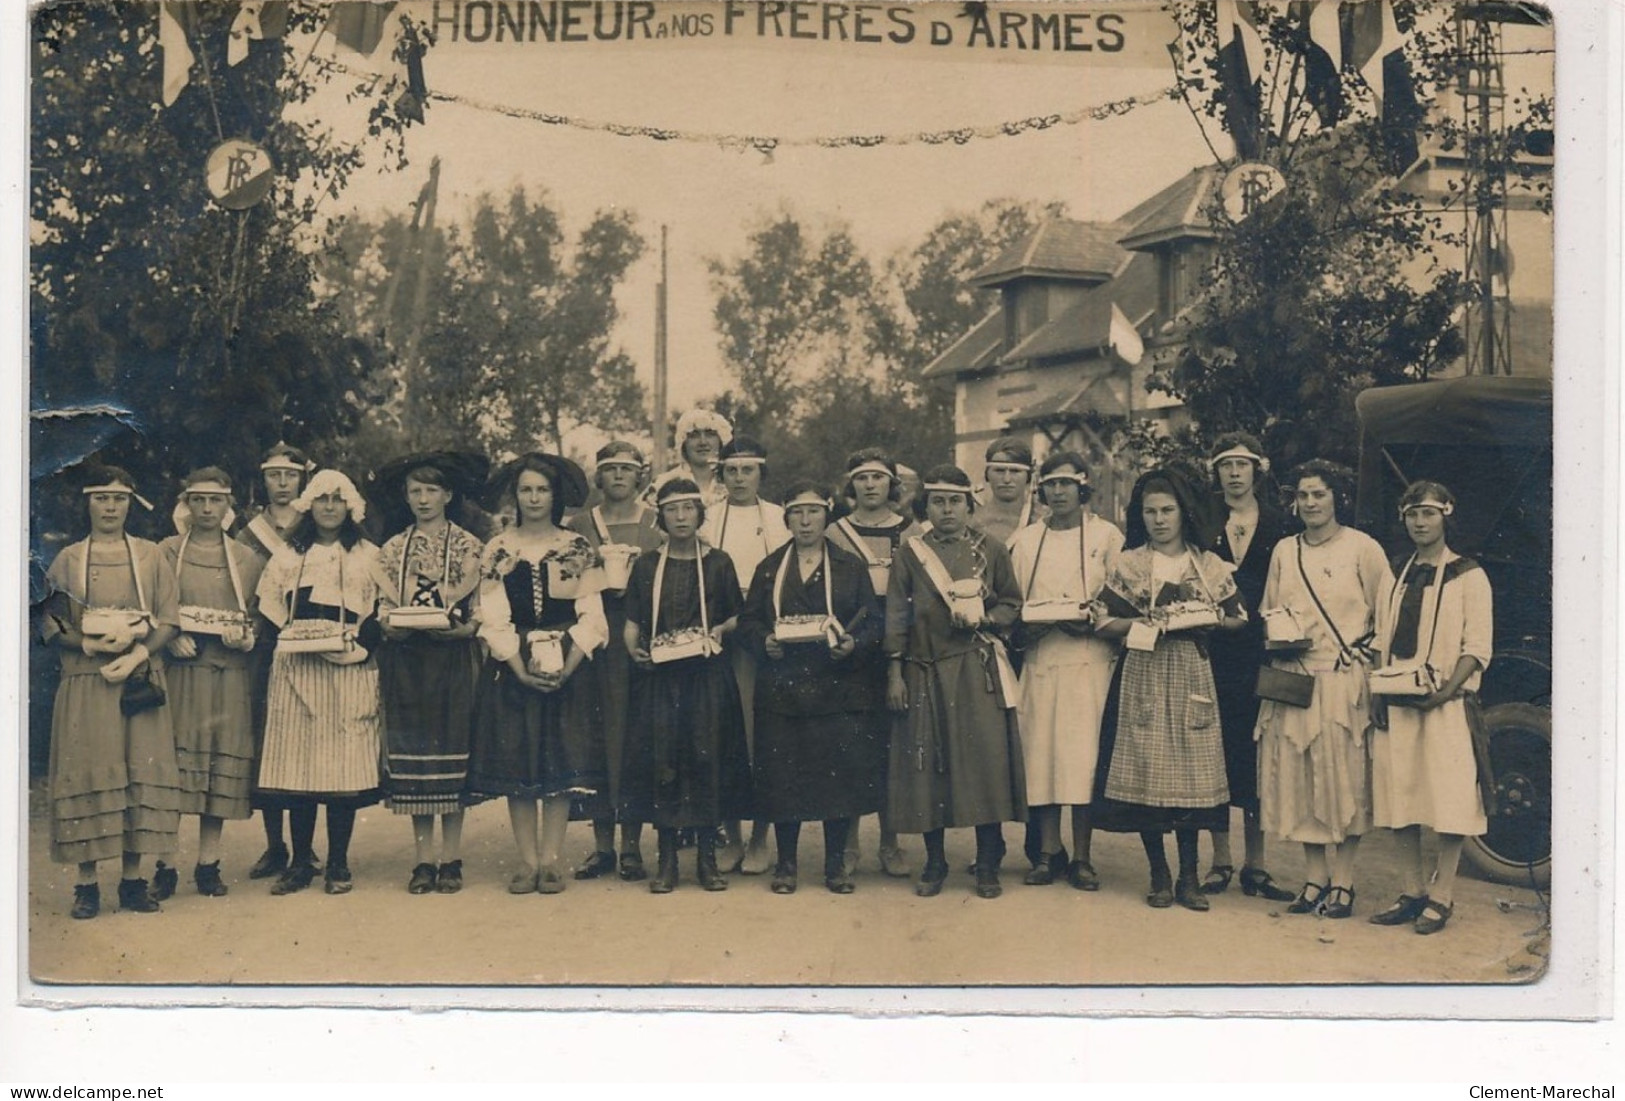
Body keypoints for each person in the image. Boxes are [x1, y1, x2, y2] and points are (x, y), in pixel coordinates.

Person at [1091, 467, 1247, 911]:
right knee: (1147, 774)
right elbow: (1102, 620)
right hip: (1143, 670)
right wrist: (1143, 621)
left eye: (1168, 511)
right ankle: (1159, 875)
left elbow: (1238, 617)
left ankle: (1190, 878)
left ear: (1184, 514)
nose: (1160, 520)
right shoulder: (1130, 563)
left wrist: (1208, 617)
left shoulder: (1207, 564)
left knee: (1192, 779)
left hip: (1191, 672)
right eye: (1151, 512)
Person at [40, 465, 183, 918]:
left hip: (137, 681)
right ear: (88, 502)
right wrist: (85, 642)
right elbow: (47, 621)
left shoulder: (148, 556)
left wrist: (140, 654)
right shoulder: (67, 558)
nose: (110, 507)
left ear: (130, 504)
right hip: (86, 681)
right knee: (89, 772)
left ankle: (133, 881)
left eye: (118, 499)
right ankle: (86, 885)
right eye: (101, 497)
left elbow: (170, 618)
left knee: (138, 773)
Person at [1255, 460, 1393, 919]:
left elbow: (1387, 615)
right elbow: (1270, 611)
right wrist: (1283, 638)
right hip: (1296, 679)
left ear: (1337, 498)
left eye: (1319, 494)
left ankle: (1345, 881)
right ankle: (1314, 878)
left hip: (1342, 681)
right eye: (1303, 496)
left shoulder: (1362, 548)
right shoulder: (1283, 551)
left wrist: (1365, 655)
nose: (1311, 503)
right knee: (1300, 776)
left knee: (1344, 778)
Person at [885, 464, 1027, 900]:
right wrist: (895, 673)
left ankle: (987, 862)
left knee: (983, 764)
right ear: (926, 506)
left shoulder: (993, 549)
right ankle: (935, 860)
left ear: (970, 506)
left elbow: (1012, 602)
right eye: (938, 502)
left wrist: (988, 618)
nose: (947, 510)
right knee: (928, 767)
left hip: (974, 667)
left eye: (955, 501)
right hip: (923, 669)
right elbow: (896, 615)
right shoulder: (911, 554)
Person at [469, 453, 609, 895]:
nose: (534, 498)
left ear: (556, 496)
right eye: (526, 489)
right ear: (516, 495)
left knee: (559, 762)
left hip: (565, 661)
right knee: (520, 763)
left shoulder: (575, 547)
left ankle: (551, 860)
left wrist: (567, 667)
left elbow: (592, 615)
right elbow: (493, 615)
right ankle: (526, 861)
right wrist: (516, 666)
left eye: (542, 490)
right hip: (516, 665)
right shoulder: (498, 548)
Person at [737, 481, 884, 894]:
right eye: (797, 513)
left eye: (814, 512)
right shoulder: (769, 568)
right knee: (783, 778)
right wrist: (763, 640)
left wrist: (853, 645)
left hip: (836, 688)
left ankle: (835, 865)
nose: (805, 521)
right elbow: (749, 622)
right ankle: (786, 865)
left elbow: (873, 621)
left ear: (827, 516)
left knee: (836, 779)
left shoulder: (849, 566)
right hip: (782, 689)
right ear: (786, 519)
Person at [1367, 482, 1494, 936]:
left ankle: (1443, 895)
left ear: (1445, 517)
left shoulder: (1468, 574)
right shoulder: (1396, 573)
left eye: (1428, 514)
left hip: (1445, 705)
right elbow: (1381, 638)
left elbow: (1476, 648)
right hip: (1398, 700)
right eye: (1412, 515)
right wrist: (1378, 693)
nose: (1420, 523)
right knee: (1401, 794)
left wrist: (1444, 692)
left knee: (1448, 797)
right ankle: (1411, 889)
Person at [254, 469, 383, 896]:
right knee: (299, 767)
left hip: (347, 667)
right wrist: (290, 638)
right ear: (309, 504)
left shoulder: (367, 554)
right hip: (297, 668)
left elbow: (381, 607)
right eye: (322, 499)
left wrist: (361, 647)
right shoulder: (290, 553)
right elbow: (270, 604)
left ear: (351, 506)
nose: (329, 507)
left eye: (338, 499)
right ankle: (299, 861)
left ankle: (339, 863)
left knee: (341, 770)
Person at [620, 478, 752, 893]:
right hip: (660, 678)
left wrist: (718, 630)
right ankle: (667, 861)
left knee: (707, 758)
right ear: (661, 516)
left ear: (699, 513)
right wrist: (633, 648)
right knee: (664, 761)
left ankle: (708, 861)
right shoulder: (645, 566)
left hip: (707, 676)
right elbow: (632, 623)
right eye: (672, 510)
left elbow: (738, 616)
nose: (680, 517)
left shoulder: (719, 562)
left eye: (688, 509)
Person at [370, 452, 488, 895]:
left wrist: (464, 629)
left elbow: (478, 610)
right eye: (415, 491)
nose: (423, 499)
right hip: (407, 659)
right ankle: (423, 861)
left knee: (451, 754)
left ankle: (451, 859)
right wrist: (388, 626)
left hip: (452, 659)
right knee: (415, 758)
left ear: (448, 495)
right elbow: (382, 609)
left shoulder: (469, 546)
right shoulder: (393, 549)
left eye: (432, 491)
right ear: (406, 497)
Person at [1006, 452, 1124, 891]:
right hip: (1041, 662)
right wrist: (1027, 630)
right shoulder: (1026, 540)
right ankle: (1047, 853)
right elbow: (1013, 601)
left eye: (1065, 485)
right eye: (1050, 485)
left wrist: (1094, 617)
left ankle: (1083, 857)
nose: (1057, 493)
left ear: (1082, 487)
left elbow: (1120, 595)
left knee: (1082, 760)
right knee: (1042, 757)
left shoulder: (1107, 535)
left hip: (1088, 663)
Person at [156, 468, 266, 899]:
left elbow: (256, 616)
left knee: (218, 765)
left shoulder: (246, 559)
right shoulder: (166, 552)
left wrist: (247, 636)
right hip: (182, 673)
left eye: (215, 501)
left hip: (227, 677)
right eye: (198, 500)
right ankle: (165, 864)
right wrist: (170, 640)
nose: (206, 509)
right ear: (186, 503)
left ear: (228, 506)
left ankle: (208, 863)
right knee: (176, 769)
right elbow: (155, 608)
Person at [1199, 433, 1299, 902]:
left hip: (1261, 650)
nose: (1234, 474)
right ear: (1215, 472)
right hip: (1211, 647)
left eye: (1242, 465)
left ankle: (1256, 865)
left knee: (1256, 753)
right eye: (1225, 466)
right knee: (1213, 750)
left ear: (1256, 470)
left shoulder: (1280, 521)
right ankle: (1219, 859)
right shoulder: (1202, 519)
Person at [566, 441, 665, 882]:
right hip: (595, 643)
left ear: (639, 476)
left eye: (628, 469)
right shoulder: (581, 524)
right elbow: (565, 584)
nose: (620, 477)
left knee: (635, 738)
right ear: (599, 478)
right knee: (595, 737)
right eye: (611, 470)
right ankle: (602, 845)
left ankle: (631, 846)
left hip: (638, 640)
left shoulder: (655, 523)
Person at [824, 448, 920, 879]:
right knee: (850, 747)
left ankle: (890, 840)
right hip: (851, 649)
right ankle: (848, 843)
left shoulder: (911, 530)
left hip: (897, 648)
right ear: (851, 485)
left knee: (891, 747)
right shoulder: (835, 532)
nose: (869, 486)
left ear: (891, 485)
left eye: (878, 478)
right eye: (861, 478)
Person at [699, 435, 790, 875]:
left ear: (760, 473)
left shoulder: (778, 519)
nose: (739, 479)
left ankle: (760, 838)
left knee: (761, 736)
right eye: (731, 471)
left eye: (747, 470)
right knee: (723, 733)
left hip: (762, 638)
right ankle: (731, 836)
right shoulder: (707, 519)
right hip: (716, 640)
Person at [235, 442, 313, 882]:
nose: (282, 483)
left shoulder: (316, 523)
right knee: (267, 739)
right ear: (263, 479)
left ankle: (305, 849)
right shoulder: (249, 532)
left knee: (303, 739)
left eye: (290, 475)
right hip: (262, 645)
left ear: (301, 479)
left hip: (307, 639)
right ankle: (275, 846)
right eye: (274, 475)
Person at [646, 406, 731, 509]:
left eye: (710, 434)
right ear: (683, 443)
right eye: (694, 436)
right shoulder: (663, 483)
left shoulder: (734, 481)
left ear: (721, 441)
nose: (703, 442)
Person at [974, 437, 1045, 546]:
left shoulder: (1044, 520)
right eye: (999, 470)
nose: (1007, 479)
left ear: (1028, 476)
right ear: (987, 474)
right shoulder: (973, 522)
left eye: (1015, 471)